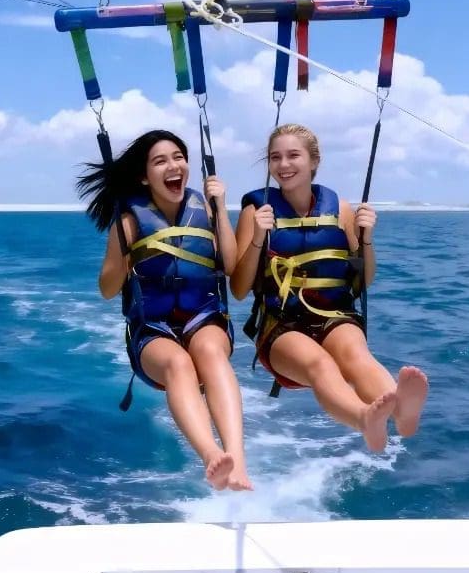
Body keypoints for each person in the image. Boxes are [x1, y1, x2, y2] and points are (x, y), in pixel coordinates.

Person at [230, 122, 428, 452]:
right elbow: (238, 289)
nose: (283, 165)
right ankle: (365, 418)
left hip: (333, 313)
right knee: (319, 364)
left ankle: (403, 416)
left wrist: (367, 239)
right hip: (281, 326)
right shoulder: (256, 212)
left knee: (355, 354)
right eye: (275, 157)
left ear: (314, 162)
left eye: (293, 155)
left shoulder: (341, 209)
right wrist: (256, 240)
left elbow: (363, 281)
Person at [78, 129, 252, 491]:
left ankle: (237, 461)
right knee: (178, 364)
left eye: (178, 157)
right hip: (152, 329)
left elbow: (232, 267)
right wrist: (124, 250)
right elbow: (107, 291)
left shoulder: (203, 206)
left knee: (208, 352)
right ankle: (212, 458)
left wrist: (220, 209)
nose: (174, 166)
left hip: (205, 316)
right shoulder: (129, 222)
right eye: (160, 161)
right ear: (144, 176)